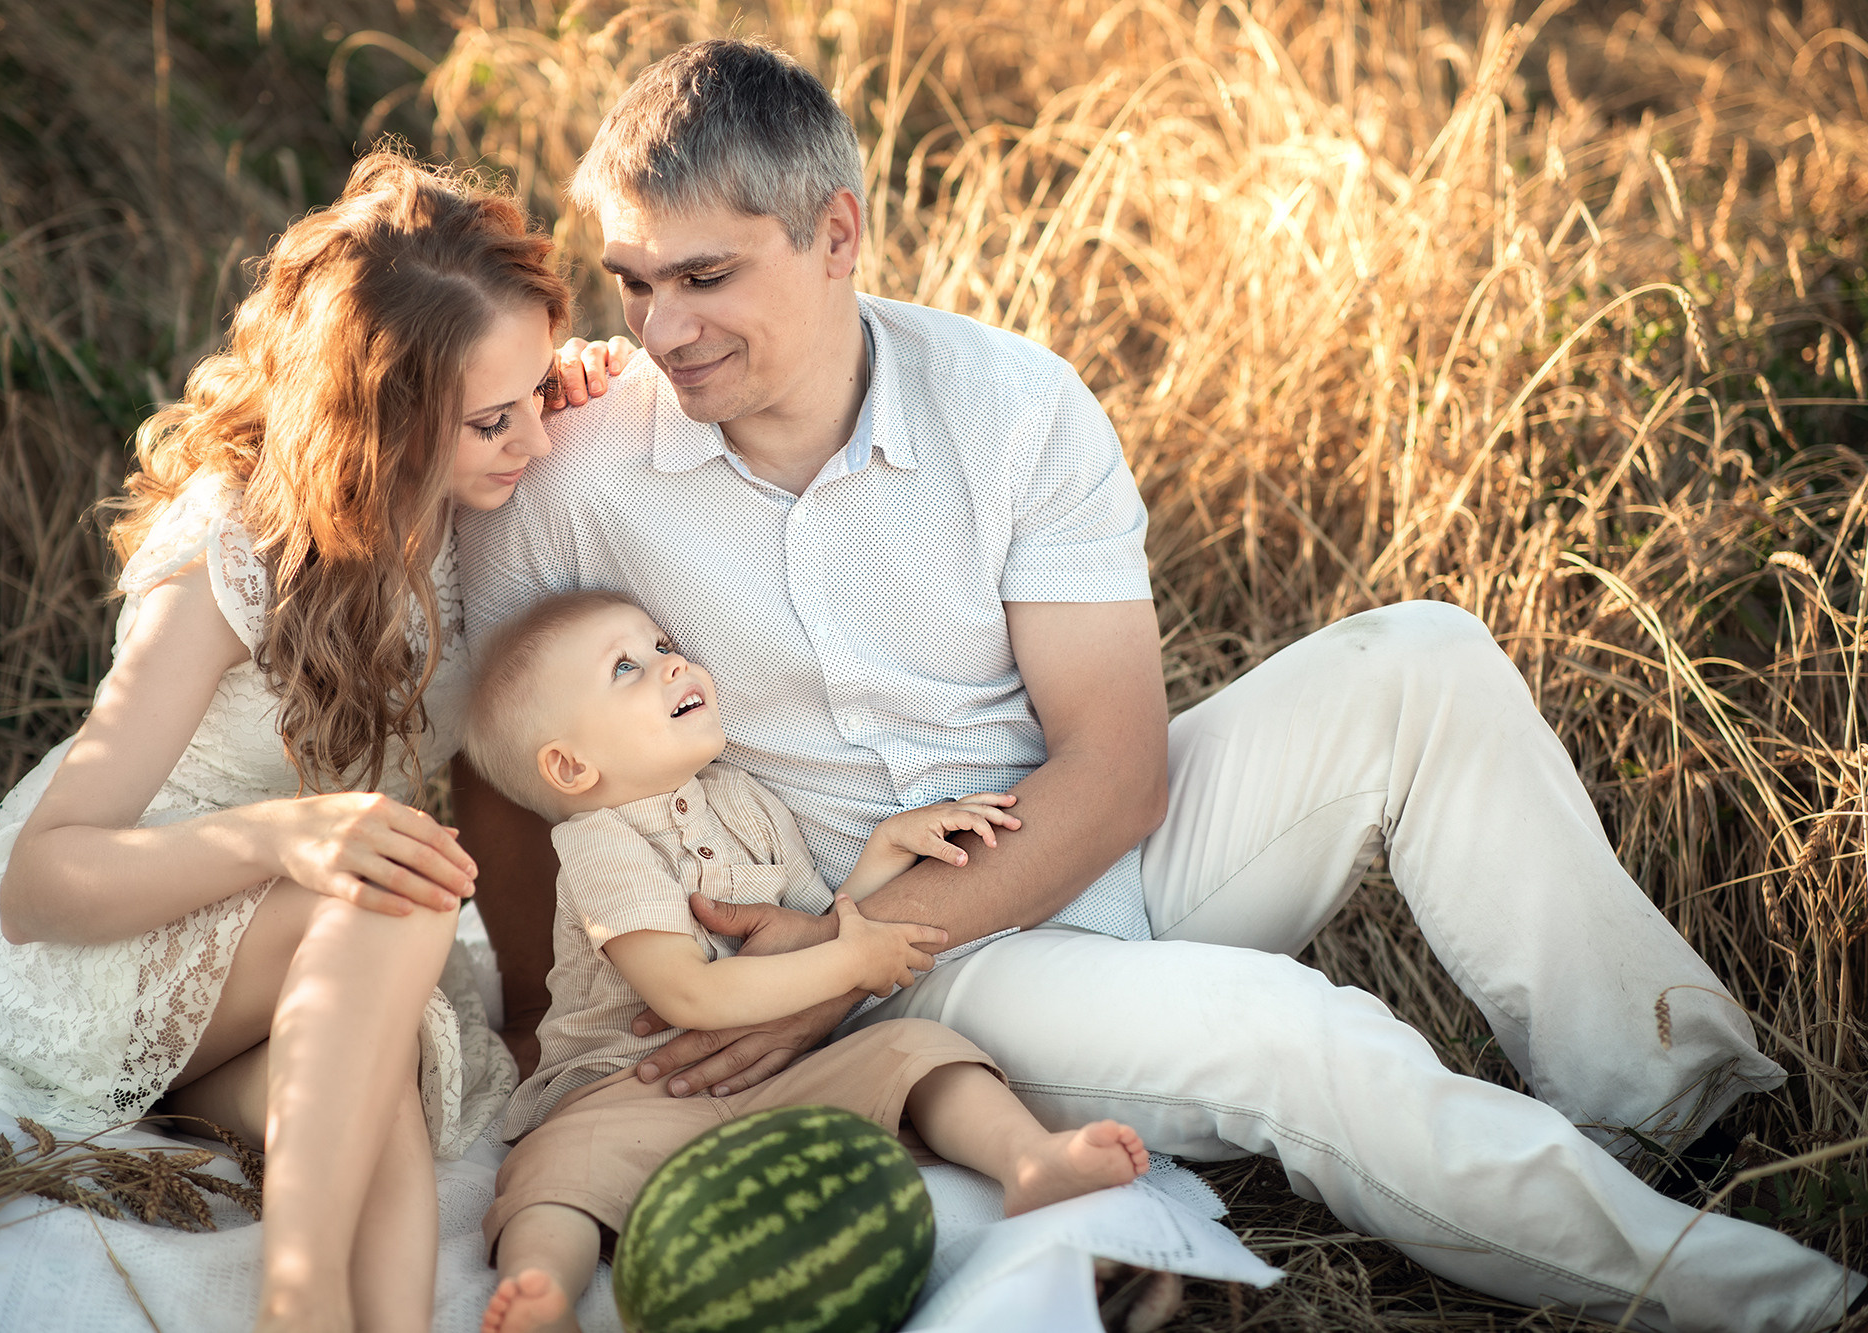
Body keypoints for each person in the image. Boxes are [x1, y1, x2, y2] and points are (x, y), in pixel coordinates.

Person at [454, 37, 1864, 1333]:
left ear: (837, 233)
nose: (663, 327)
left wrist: (829, 964)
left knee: (1423, 657)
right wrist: (571, 1023)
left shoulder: (1011, 404)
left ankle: (1677, 1115)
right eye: (634, 281)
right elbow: (513, 766)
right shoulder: (579, 475)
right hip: (914, 981)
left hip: (1057, 860)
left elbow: (1119, 771)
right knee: (1296, 1033)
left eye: (705, 277)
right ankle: (1784, 1306)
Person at [0, 151, 632, 1333]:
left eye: (534, 392)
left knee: (377, 1095)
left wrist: (554, 391)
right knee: (398, 900)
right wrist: (285, 837)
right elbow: (40, 887)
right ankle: (296, 1305)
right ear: (381, 422)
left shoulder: (471, 504)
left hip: (307, 963)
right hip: (119, 941)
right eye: (491, 418)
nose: (532, 438)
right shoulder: (231, 547)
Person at [459, 589, 1148, 1333]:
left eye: (662, 646)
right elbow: (688, 994)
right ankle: (543, 1291)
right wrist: (854, 965)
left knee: (921, 1051)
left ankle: (1031, 1163)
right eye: (626, 667)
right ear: (569, 766)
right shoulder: (600, 844)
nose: (672, 664)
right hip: (629, 1090)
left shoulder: (743, 800)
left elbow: (821, 926)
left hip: (779, 1075)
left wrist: (886, 848)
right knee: (553, 1172)